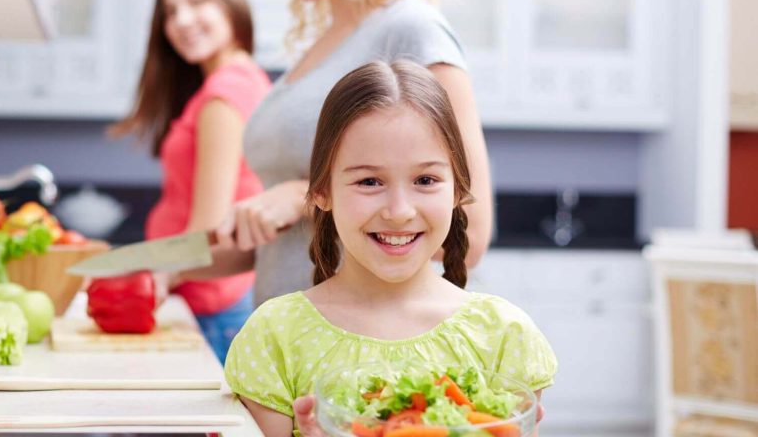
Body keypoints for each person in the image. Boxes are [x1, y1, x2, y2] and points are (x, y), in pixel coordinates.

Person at [224, 61, 557, 436]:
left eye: (425, 180)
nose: (399, 212)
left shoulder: (504, 336)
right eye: (369, 181)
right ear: (321, 192)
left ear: (458, 191)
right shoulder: (274, 337)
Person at [179, 0, 494, 307]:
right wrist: (160, 265)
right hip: (284, 330)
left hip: (359, 333)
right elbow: (279, 243)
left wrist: (301, 197)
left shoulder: (413, 29)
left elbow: (470, 235)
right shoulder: (324, 41)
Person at [110, 0, 271, 363]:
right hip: (214, 302)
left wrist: (142, 276)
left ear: (229, 2)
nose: (182, 20)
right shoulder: (240, 80)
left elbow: (207, 229)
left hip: (212, 309)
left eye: (197, 1)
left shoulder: (224, 95)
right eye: (170, 11)